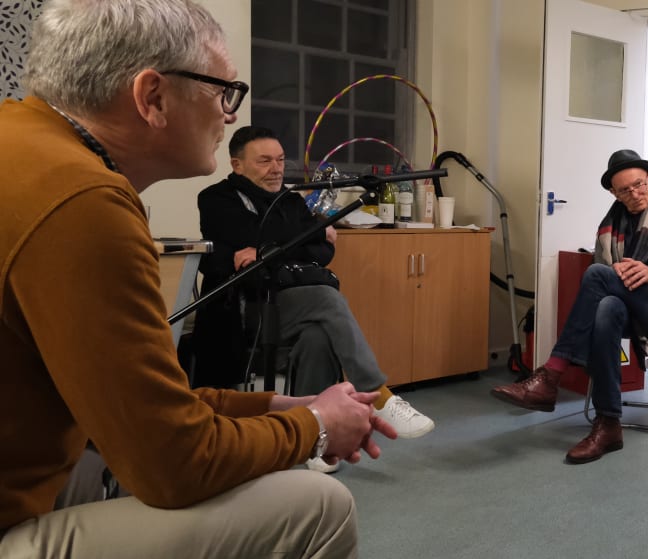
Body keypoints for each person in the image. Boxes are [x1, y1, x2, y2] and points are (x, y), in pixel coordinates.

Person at [0, 1, 396, 557]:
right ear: (152, 96)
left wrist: (274, 409)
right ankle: (376, 391)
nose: (229, 114)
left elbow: (131, 406)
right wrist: (317, 427)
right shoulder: (85, 202)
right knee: (320, 505)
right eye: (223, 92)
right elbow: (172, 464)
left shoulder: (21, 144)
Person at [194, 125, 435, 464]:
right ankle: (378, 395)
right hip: (245, 309)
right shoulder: (216, 199)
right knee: (326, 299)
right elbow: (279, 236)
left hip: (292, 305)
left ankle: (317, 440)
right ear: (237, 165)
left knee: (319, 334)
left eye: (279, 160)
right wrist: (310, 232)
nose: (276, 168)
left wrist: (272, 249)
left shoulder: (291, 201)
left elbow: (323, 253)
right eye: (264, 161)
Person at [490, 149, 648, 464]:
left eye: (639, 184)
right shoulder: (612, 224)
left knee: (597, 274)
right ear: (614, 192)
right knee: (607, 307)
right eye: (624, 190)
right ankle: (608, 423)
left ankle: (551, 375)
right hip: (628, 310)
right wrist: (620, 274)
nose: (635, 194)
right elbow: (601, 287)